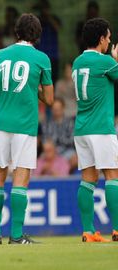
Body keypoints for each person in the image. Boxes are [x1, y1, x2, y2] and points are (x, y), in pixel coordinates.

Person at [0, 13, 54, 245]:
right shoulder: (42, 58)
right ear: (37, 35)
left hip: (0, 123)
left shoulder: (0, 55)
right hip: (24, 125)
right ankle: (16, 235)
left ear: (16, 32)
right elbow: (51, 99)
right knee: (21, 178)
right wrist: (32, 89)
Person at [71, 18, 118, 242]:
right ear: (101, 39)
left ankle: (88, 231)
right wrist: (116, 60)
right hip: (101, 128)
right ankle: (117, 228)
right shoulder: (105, 62)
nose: (110, 41)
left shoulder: (77, 62)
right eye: (108, 37)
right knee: (112, 176)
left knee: (88, 179)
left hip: (81, 129)